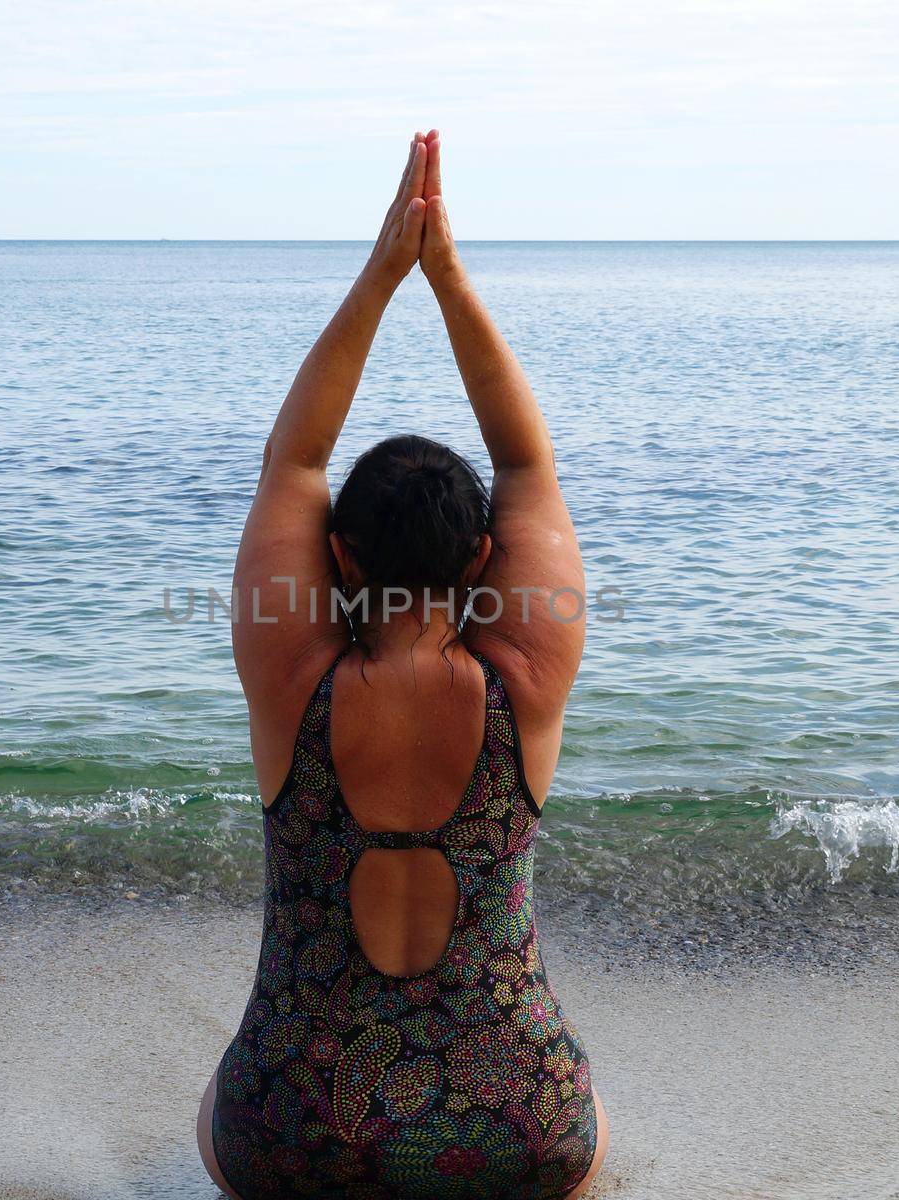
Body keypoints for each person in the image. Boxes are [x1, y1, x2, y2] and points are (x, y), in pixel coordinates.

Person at [197, 130, 608, 1200]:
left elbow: (293, 458)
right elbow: (526, 459)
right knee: (586, 1118)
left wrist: (382, 273)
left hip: (292, 1134)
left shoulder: (294, 681)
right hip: (516, 1123)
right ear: (481, 560)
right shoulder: (526, 675)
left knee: (217, 1110)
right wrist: (448, 277)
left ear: (337, 558)